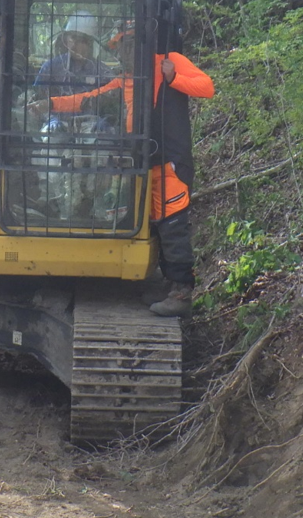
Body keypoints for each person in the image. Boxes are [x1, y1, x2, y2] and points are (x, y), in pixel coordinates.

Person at [47, 32, 213, 317]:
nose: (124, 52)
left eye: (128, 45)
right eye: (119, 48)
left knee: (172, 222)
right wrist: (50, 105)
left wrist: (174, 79)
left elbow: (206, 87)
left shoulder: (170, 63)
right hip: (142, 163)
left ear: (142, 44)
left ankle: (181, 292)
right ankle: (168, 284)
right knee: (154, 223)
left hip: (169, 160)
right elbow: (89, 99)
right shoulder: (125, 81)